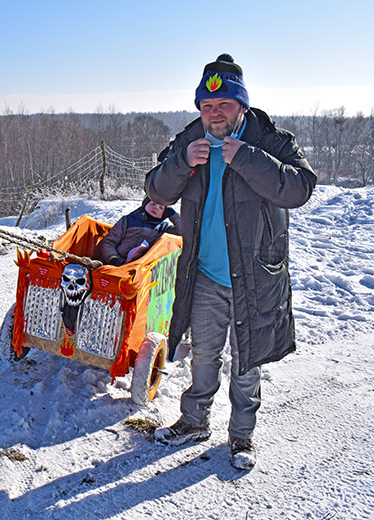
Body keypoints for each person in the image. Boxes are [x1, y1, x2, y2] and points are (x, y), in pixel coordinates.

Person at [144, 54, 316, 470]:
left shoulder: (271, 139)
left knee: (247, 360)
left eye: (223, 105)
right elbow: (156, 190)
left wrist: (247, 157)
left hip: (254, 275)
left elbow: (300, 188)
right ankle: (193, 420)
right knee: (203, 353)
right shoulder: (190, 141)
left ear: (241, 106)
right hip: (203, 273)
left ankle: (241, 436)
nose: (214, 113)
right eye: (206, 105)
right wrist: (183, 162)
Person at [95, 196, 181, 266]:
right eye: (153, 204)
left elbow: (183, 233)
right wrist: (113, 258)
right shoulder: (128, 220)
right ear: (144, 205)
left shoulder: (164, 228)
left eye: (161, 208)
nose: (156, 208)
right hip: (117, 261)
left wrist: (174, 216)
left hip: (141, 267)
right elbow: (109, 242)